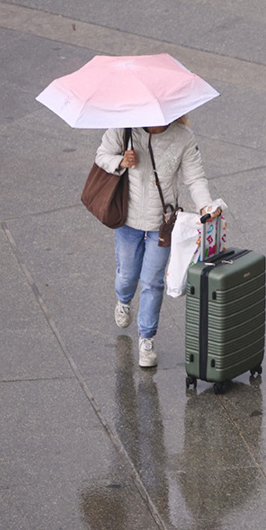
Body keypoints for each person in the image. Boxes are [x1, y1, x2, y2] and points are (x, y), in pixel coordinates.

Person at [95, 115, 220, 367]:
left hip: (162, 223)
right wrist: (121, 161)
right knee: (127, 275)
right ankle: (123, 300)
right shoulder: (125, 127)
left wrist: (206, 204)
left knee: (153, 282)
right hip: (127, 219)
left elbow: (195, 178)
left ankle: (147, 338)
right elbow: (101, 156)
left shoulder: (183, 138)